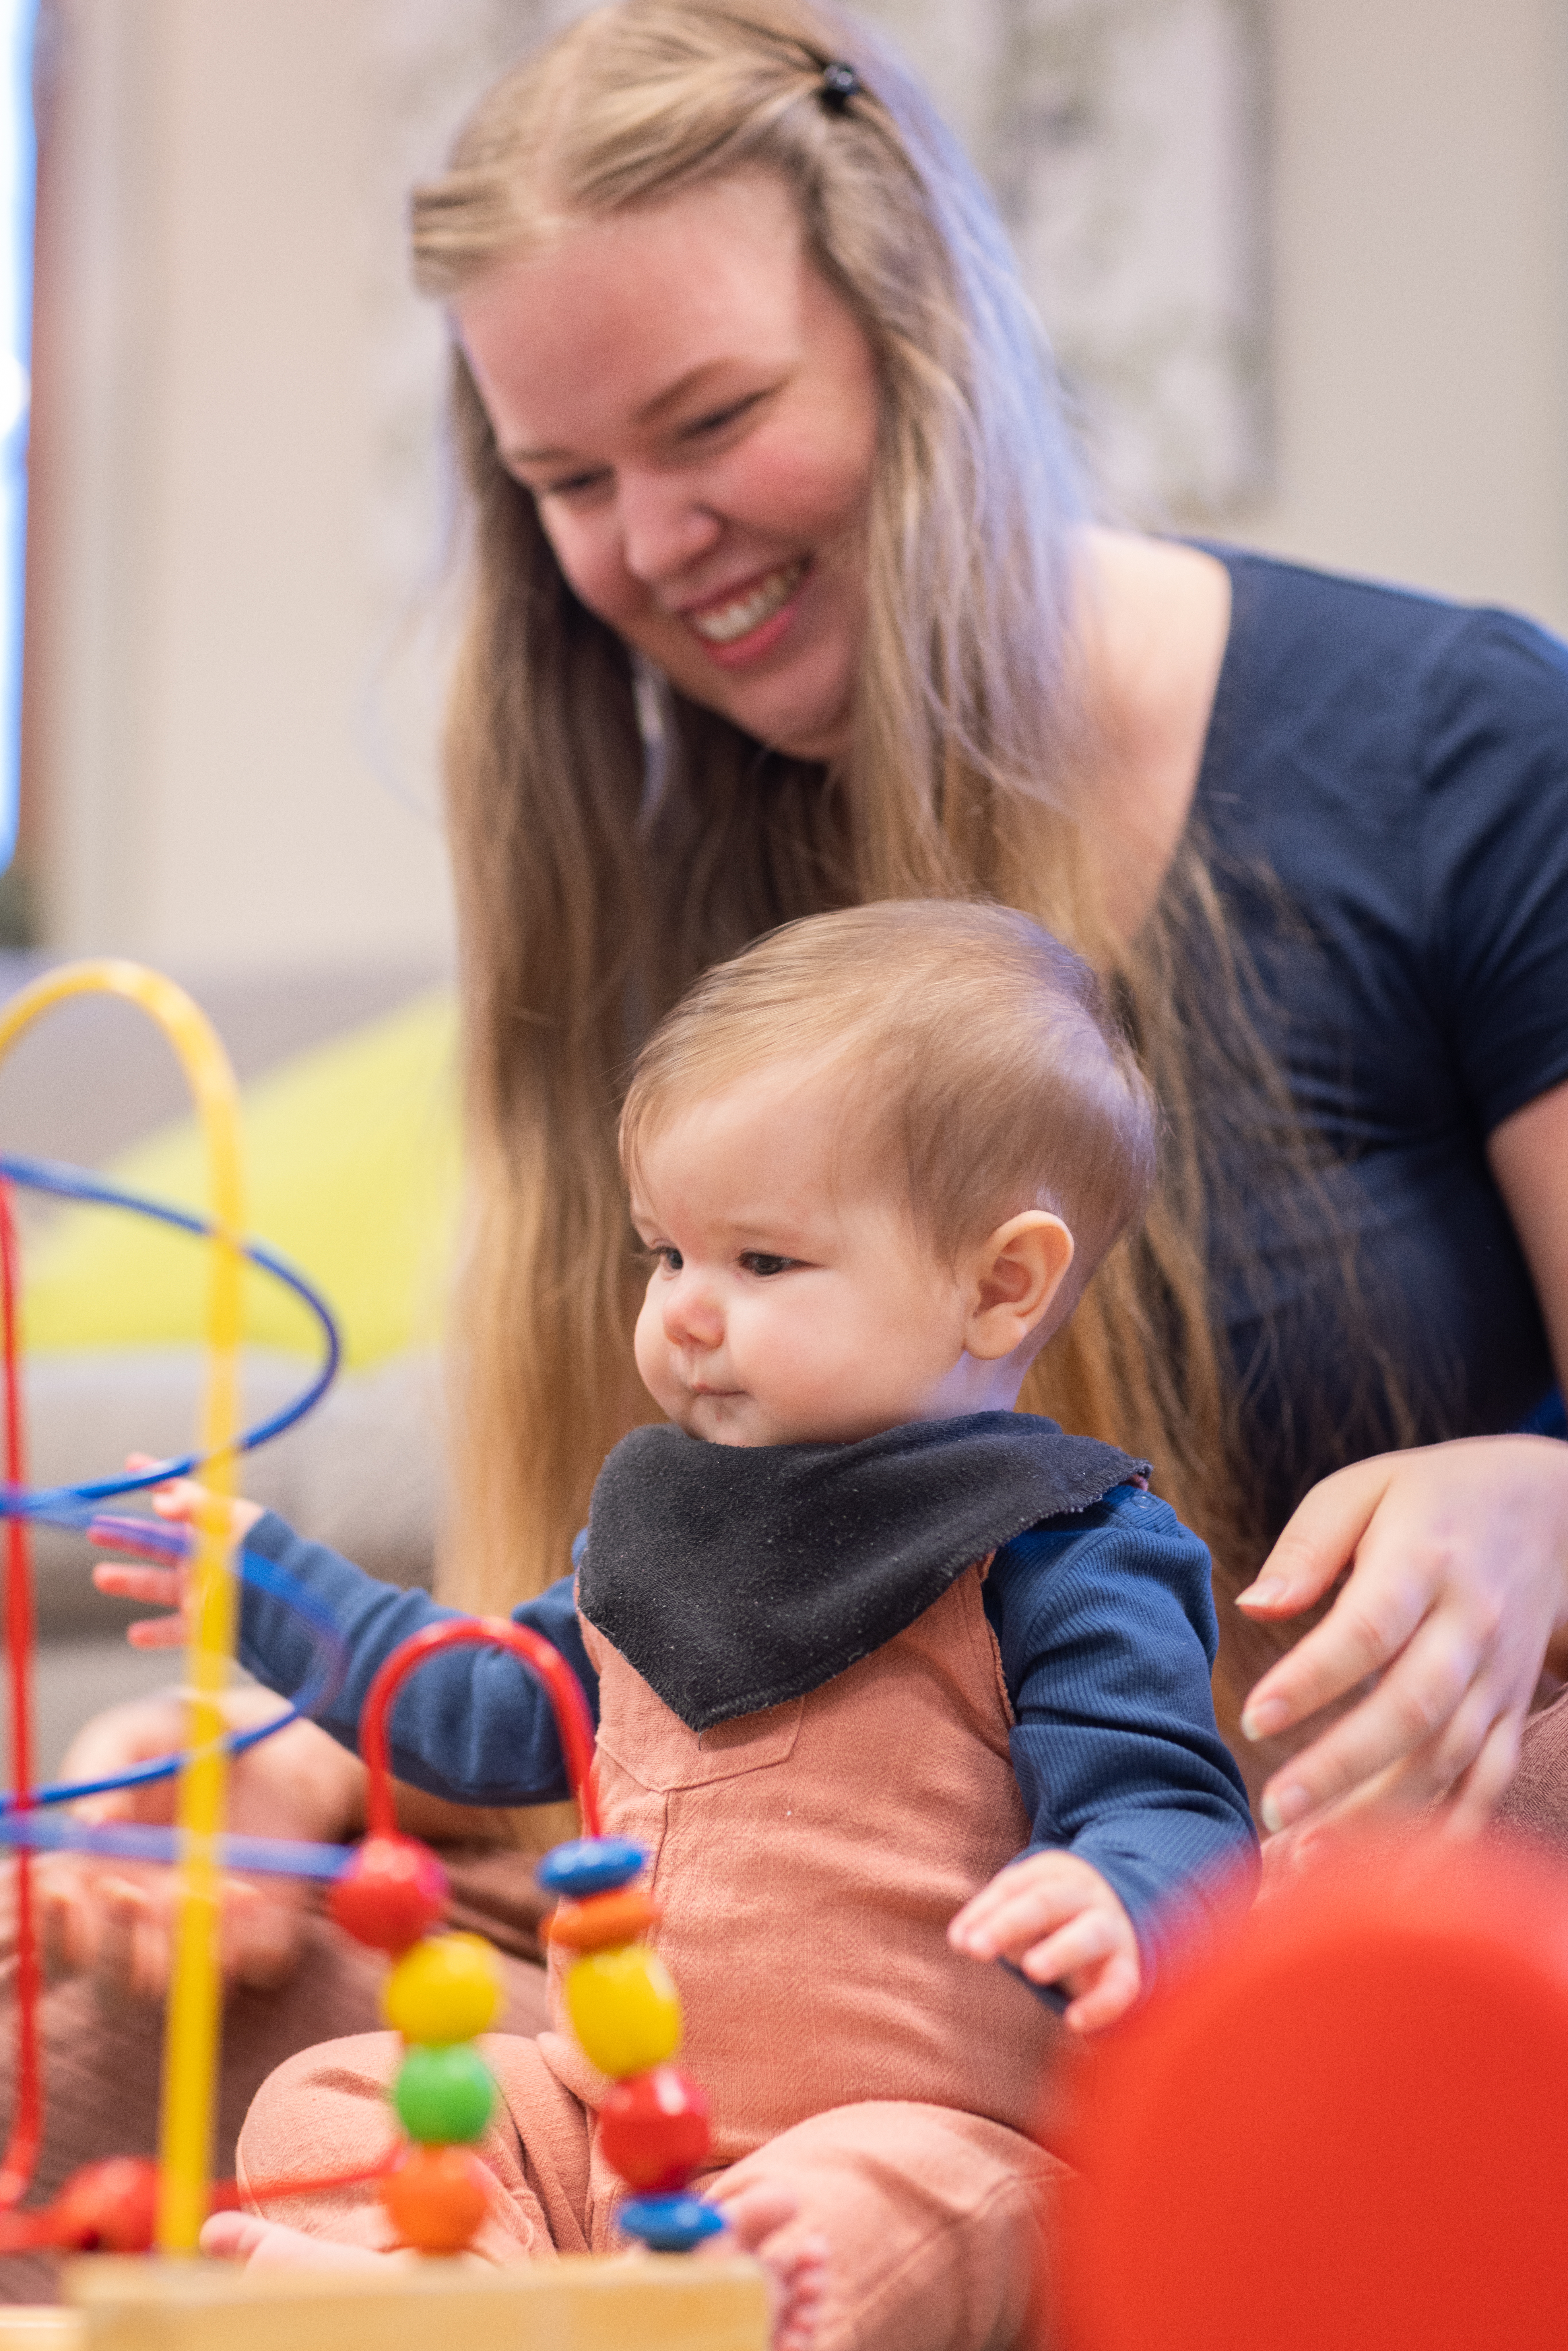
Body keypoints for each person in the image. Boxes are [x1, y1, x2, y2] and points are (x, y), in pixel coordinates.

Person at [5, 0, 1568, 2275]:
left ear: (920, 326)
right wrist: (308, 1756)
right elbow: (607, 1665)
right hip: (755, 2002)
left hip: (1275, 1906)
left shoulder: (1459, 749)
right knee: (80, 1988)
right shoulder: (656, 875)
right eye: (560, 484)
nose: (649, 543)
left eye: (714, 418)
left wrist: (1536, 1495)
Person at [106, 903, 1257, 2351]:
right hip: (611, 2136)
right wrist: (274, 1594)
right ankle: (450, 2296)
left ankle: (747, 2306)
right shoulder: (659, 1526)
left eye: (762, 1263)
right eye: (667, 1254)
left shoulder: (1065, 1545)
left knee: (887, 2200)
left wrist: (1118, 1891)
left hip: (920, 2135)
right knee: (334, 2093)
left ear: (999, 1283)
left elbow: (1171, 1800)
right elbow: (482, 1702)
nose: (686, 1314)